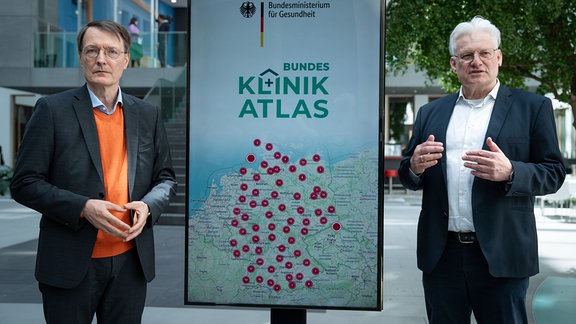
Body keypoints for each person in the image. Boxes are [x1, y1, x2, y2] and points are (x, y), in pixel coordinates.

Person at [397, 16, 565, 324]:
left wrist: (512, 171)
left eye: (484, 53)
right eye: (466, 55)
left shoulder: (533, 107)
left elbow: (554, 172)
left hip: (502, 253)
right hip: (441, 256)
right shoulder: (430, 113)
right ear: (453, 64)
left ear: (498, 57)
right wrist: (415, 167)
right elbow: (408, 174)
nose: (476, 61)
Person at [10, 20, 177, 323]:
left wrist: (148, 205)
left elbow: (165, 178)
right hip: (70, 262)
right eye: (92, 50)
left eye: (111, 51)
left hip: (130, 263)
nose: (101, 59)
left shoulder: (147, 114)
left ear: (126, 60)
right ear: (81, 58)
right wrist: (83, 207)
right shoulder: (51, 110)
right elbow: (24, 183)